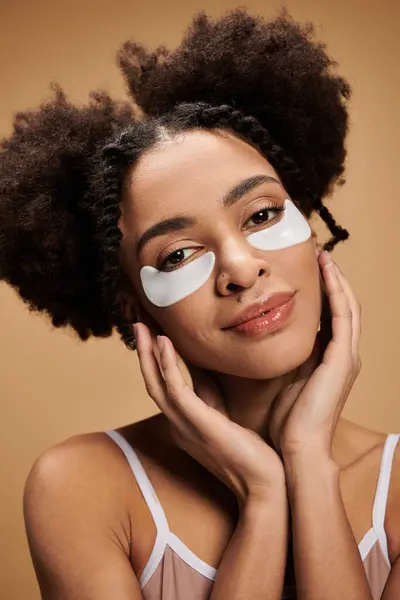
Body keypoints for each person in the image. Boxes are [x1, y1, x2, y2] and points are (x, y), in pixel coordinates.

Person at [0, 8, 399, 600]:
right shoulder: (82, 484)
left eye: (263, 215)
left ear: (311, 223)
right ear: (135, 305)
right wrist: (263, 496)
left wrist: (309, 464)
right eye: (178, 254)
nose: (241, 269)